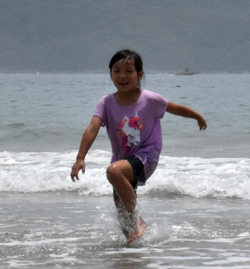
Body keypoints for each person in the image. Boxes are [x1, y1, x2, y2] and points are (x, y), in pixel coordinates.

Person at [70, 49, 207, 243]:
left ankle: (140, 220)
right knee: (124, 219)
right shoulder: (106, 102)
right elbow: (92, 128)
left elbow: (175, 108)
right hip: (122, 161)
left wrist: (197, 116)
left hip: (146, 156)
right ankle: (134, 259)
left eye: (128, 71)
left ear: (139, 75)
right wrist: (80, 157)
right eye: (116, 71)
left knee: (113, 172)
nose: (122, 76)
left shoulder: (150, 99)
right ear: (110, 75)